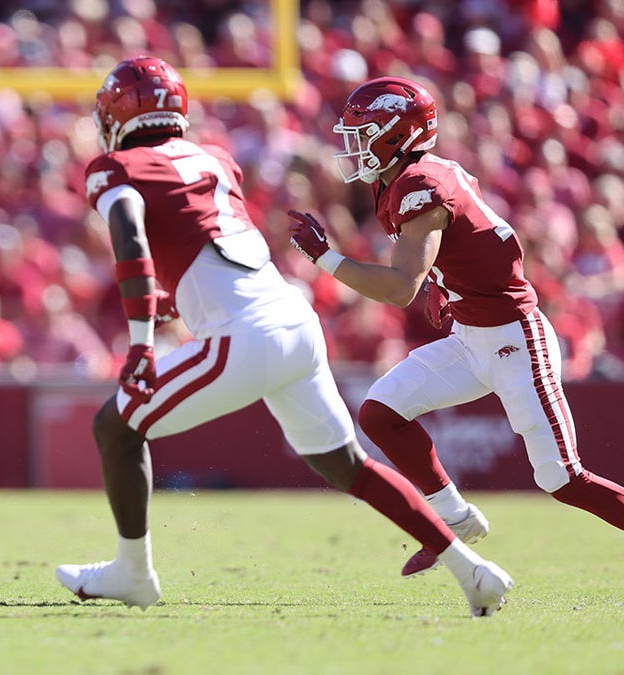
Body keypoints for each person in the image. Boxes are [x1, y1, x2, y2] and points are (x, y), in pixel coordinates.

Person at [54, 56, 514, 617]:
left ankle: (132, 571)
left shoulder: (116, 165)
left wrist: (141, 341)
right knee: (346, 465)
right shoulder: (217, 160)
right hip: (294, 321)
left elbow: (130, 240)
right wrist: (176, 297)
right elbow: (207, 243)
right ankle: (473, 571)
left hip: (243, 336)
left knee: (116, 427)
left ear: (117, 114)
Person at [287, 76, 624, 580]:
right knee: (380, 413)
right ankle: (455, 518)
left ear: (397, 134)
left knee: (562, 478)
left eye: (365, 131)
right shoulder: (422, 173)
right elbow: (486, 239)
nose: (353, 145)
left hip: (515, 340)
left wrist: (325, 257)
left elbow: (400, 288)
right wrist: (450, 286)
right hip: (472, 334)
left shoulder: (421, 185)